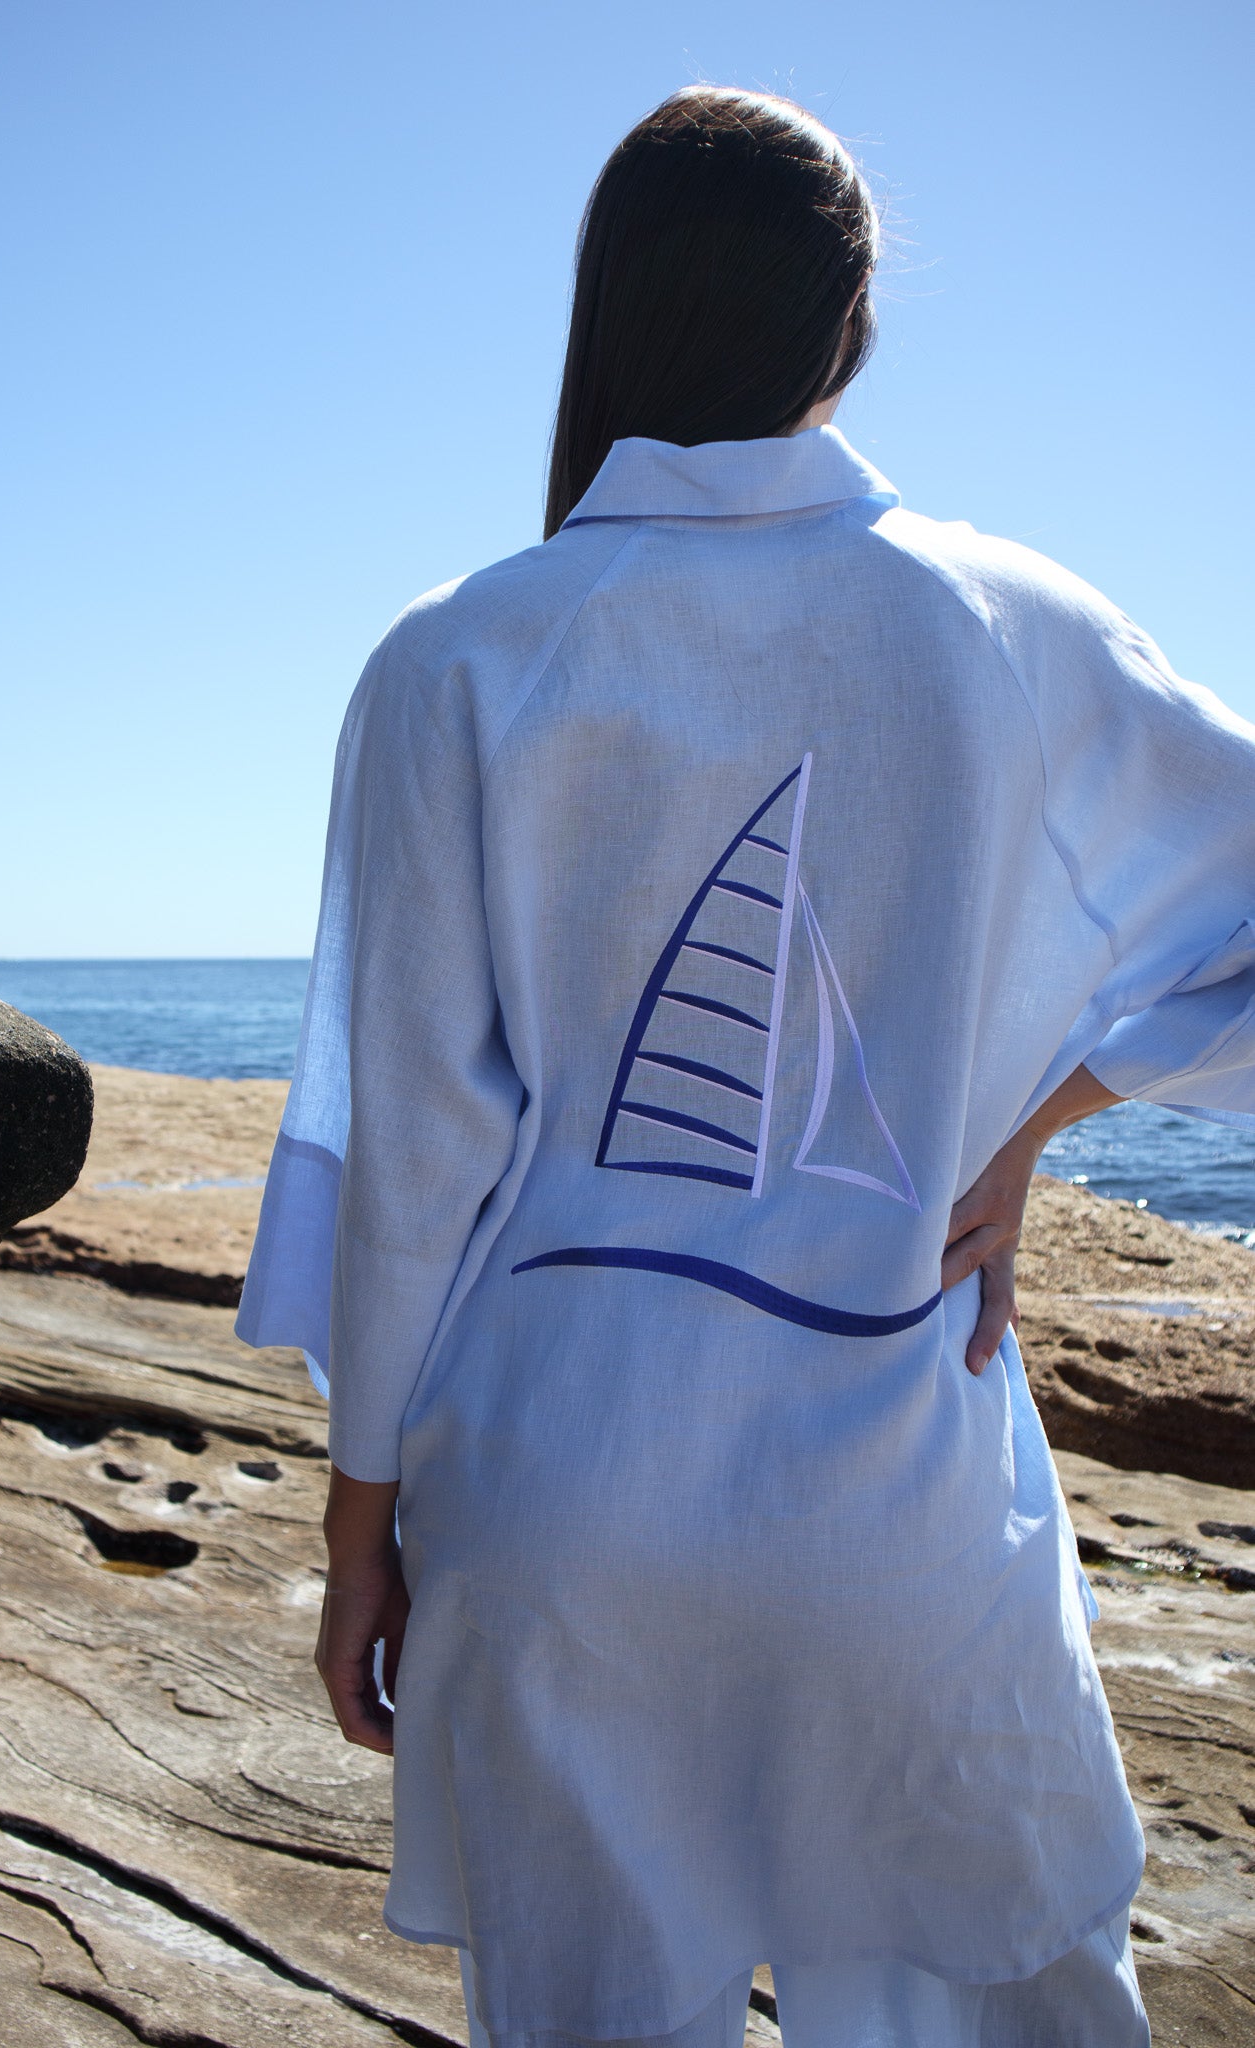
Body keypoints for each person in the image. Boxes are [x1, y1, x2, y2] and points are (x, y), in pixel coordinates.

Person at [236, 85, 1255, 2048]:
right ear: (846, 322)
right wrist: (1048, 1108)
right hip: (898, 1513)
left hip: (554, 1509)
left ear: (608, 304)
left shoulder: (452, 653)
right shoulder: (1001, 619)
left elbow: (416, 1159)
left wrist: (356, 1537)